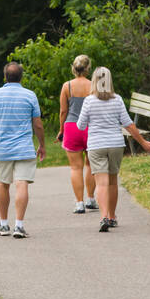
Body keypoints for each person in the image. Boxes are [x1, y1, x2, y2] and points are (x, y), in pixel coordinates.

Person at [76, 66, 150, 232]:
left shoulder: (89, 101)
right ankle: (112, 216)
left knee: (101, 183)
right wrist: (143, 143)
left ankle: (103, 216)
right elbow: (129, 124)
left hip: (96, 145)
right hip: (116, 145)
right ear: (110, 81)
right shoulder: (117, 99)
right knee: (112, 182)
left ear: (95, 81)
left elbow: (81, 125)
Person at [0, 61, 45, 238]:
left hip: (2, 149)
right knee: (22, 183)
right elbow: (38, 125)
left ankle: (3, 224)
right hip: (24, 148)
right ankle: (19, 225)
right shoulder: (30, 95)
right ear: (21, 76)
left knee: (3, 184)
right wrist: (42, 145)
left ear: (5, 76)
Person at [57, 54, 97, 214]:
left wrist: (61, 130)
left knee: (75, 168)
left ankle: (79, 203)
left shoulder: (67, 86)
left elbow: (63, 111)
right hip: (91, 127)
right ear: (88, 68)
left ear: (73, 68)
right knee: (91, 165)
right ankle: (91, 199)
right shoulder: (93, 85)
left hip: (72, 127)